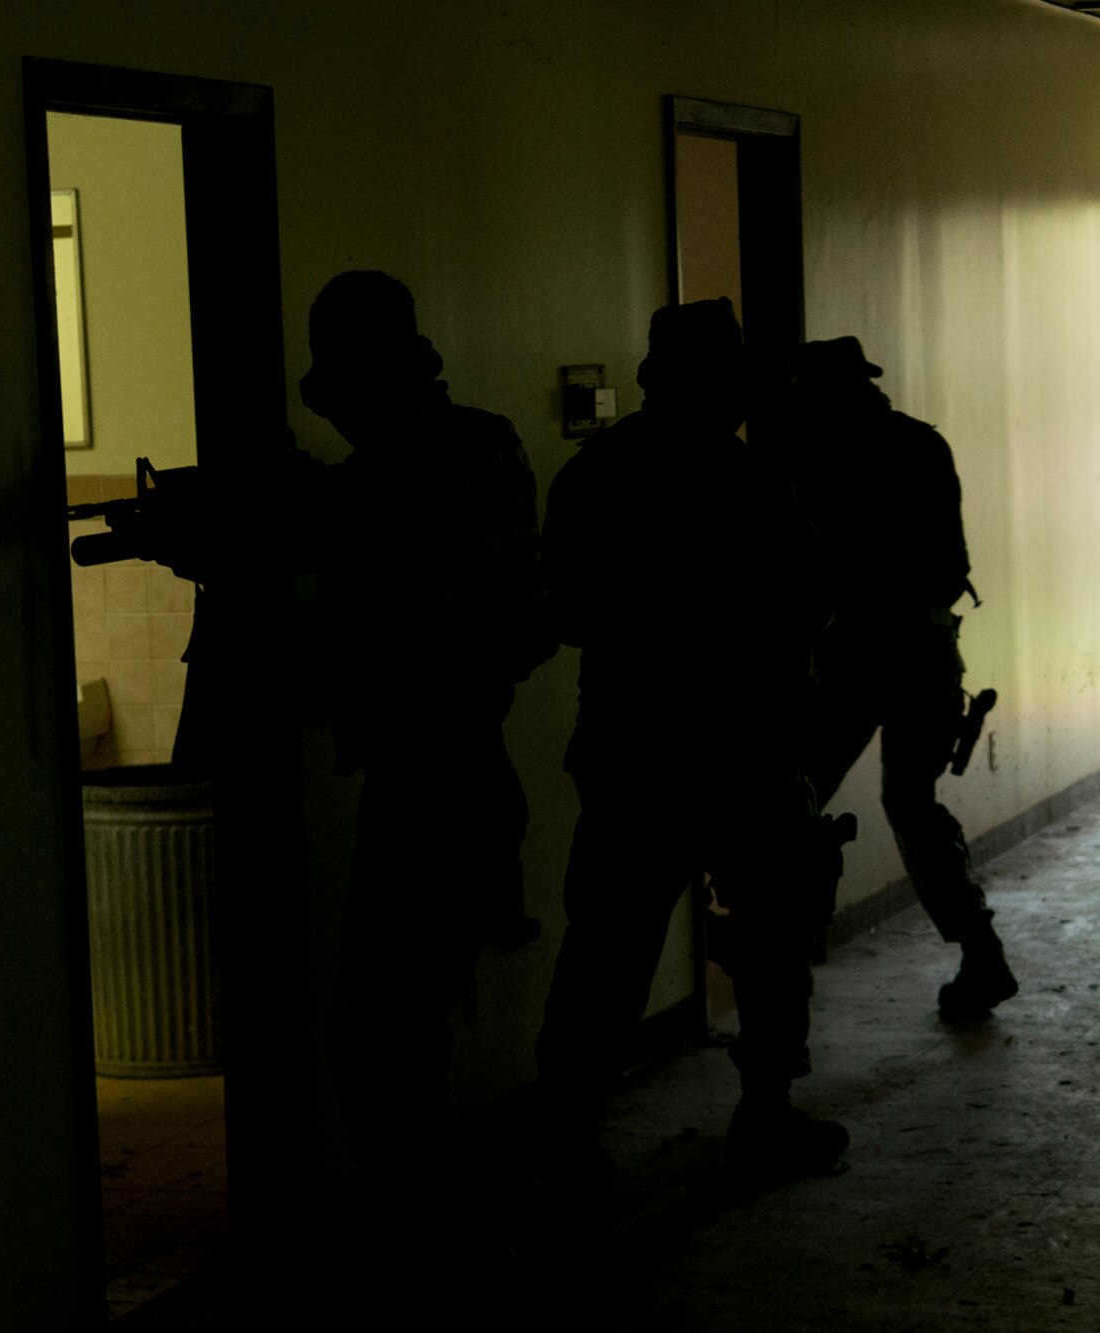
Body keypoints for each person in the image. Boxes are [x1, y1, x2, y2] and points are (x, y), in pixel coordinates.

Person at [533, 297, 851, 1180]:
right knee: (772, 932)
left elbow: (567, 613)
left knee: (608, 946)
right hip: (738, 742)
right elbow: (815, 594)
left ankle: (568, 1133)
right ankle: (765, 1113)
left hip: (634, 743)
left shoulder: (597, 475)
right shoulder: (747, 478)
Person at [304, 272, 556, 1241]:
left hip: (435, 784)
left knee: (374, 1038)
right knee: (405, 1032)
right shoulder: (481, 443)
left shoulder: (393, 478)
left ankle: (435, 1231)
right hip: (462, 774)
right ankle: (442, 1221)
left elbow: (365, 534)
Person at [788, 336, 1017, 1019]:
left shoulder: (813, 457)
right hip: (926, 650)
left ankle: (783, 960)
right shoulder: (923, 444)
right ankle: (981, 952)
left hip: (849, 657)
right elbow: (951, 567)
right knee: (912, 802)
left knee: (792, 799)